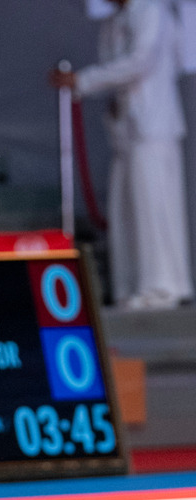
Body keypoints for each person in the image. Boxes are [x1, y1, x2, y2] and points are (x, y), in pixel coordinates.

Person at [50, 0, 193, 310]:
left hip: (153, 127)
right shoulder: (115, 21)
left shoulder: (152, 10)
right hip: (125, 129)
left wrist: (83, 81)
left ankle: (163, 286)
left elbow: (140, 61)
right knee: (125, 210)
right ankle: (131, 286)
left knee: (153, 208)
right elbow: (117, 69)